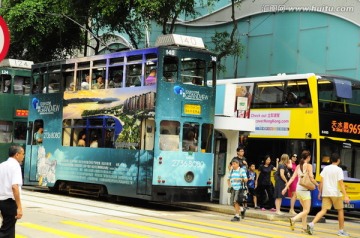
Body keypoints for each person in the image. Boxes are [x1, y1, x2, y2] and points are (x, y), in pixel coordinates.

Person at [307, 153, 350, 236]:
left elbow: (321, 181)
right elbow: (341, 183)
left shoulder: (326, 168)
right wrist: (345, 195)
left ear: (331, 160)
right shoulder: (339, 170)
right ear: (338, 160)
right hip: (335, 193)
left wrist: (320, 192)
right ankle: (341, 231)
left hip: (326, 193)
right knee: (340, 210)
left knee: (323, 210)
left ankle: (311, 224)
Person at [282, 150, 318, 233]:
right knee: (307, 210)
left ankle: (304, 228)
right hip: (305, 190)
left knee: (304, 210)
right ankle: (293, 219)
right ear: (308, 157)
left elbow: (292, 178)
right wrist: (317, 185)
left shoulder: (298, 166)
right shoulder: (309, 166)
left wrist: (286, 187)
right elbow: (311, 178)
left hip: (298, 190)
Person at [0, 145, 24, 237]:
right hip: (9, 202)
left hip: (1, 200)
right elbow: (15, 187)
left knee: (8, 229)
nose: (23, 156)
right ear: (17, 155)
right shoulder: (15, 166)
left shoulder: (2, 165)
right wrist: (19, 207)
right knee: (7, 230)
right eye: (23, 154)